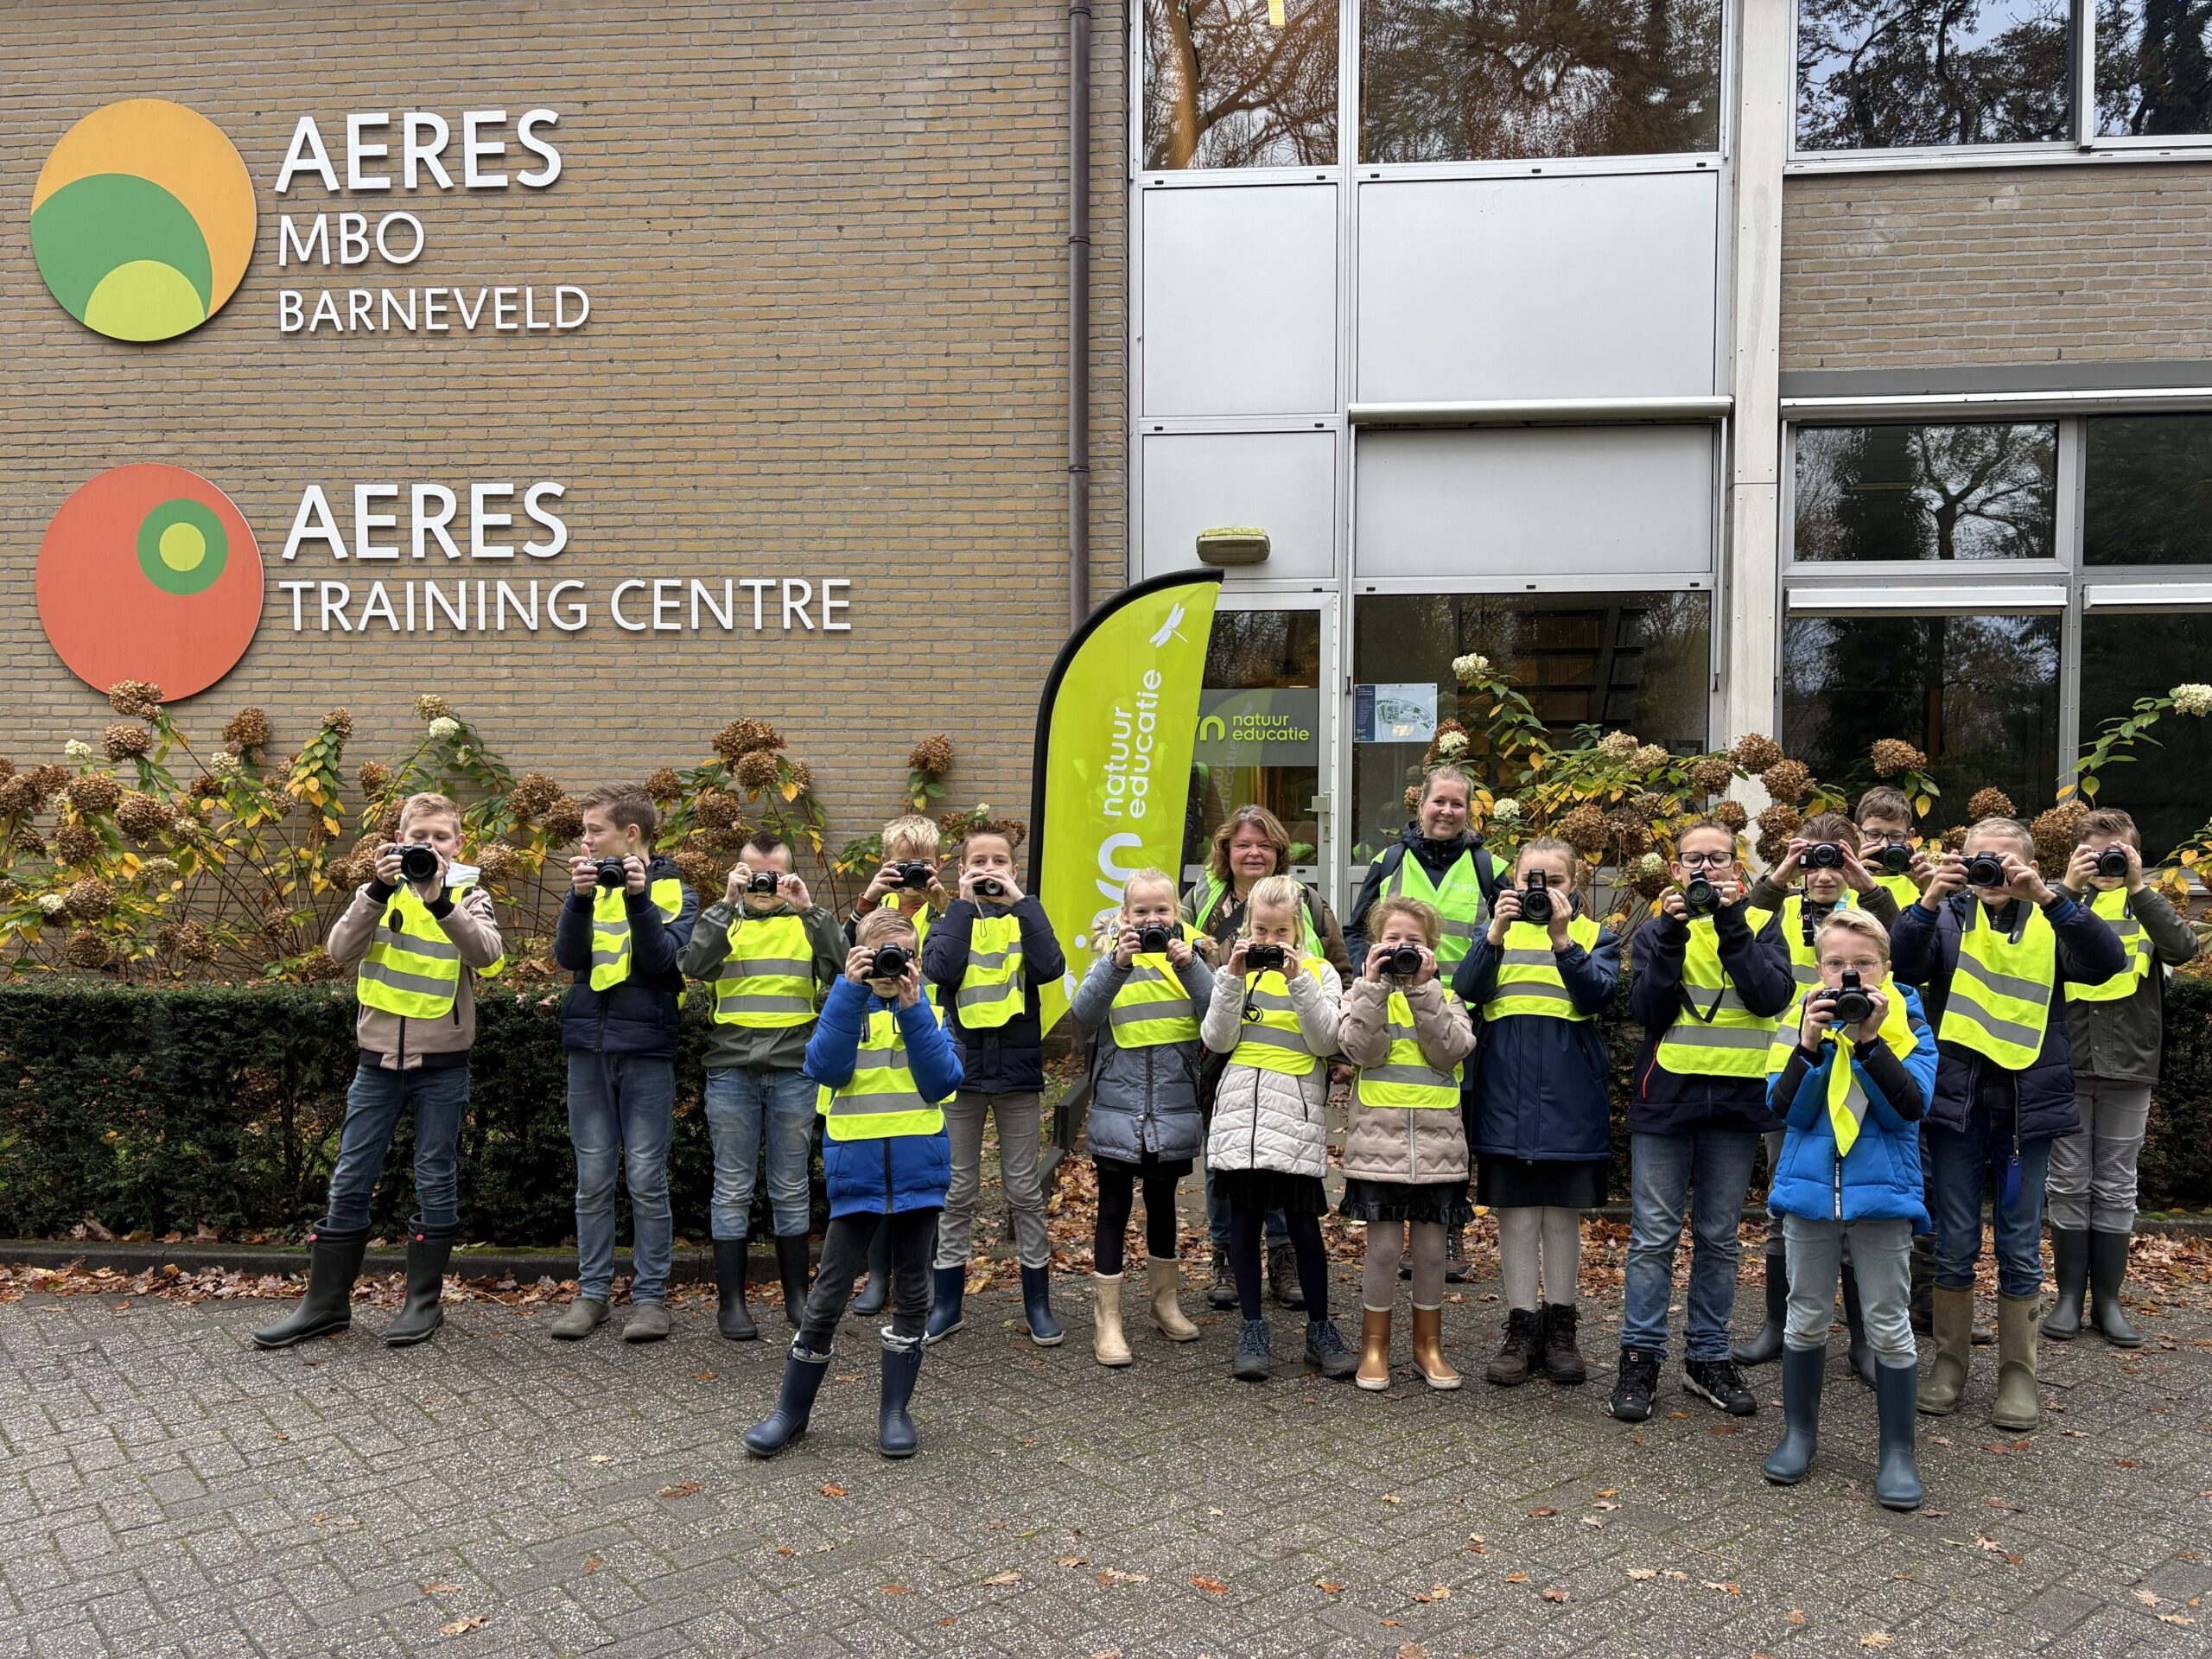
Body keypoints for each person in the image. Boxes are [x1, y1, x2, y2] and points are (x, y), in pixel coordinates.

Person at [1891, 816, 2126, 1431]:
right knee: (1956, 1242)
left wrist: (2049, 897)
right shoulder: (1946, 916)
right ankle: (1950, 1362)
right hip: (1957, 1106)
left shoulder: (2050, 918)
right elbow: (1902, 969)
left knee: (2021, 1243)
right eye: (1979, 860)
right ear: (1961, 862)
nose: (1990, 871)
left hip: (2027, 1109)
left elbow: (2105, 963)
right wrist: (1929, 898)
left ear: (2026, 865)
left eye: (2004, 861)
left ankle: (2019, 1372)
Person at [252, 791, 505, 1350]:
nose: (430, 847)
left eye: (441, 837)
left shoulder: (469, 893)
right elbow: (339, 949)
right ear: (399, 841)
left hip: (443, 1063)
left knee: (435, 1174)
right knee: (350, 1175)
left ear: (458, 844)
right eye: (420, 838)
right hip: (378, 1063)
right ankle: (325, 1305)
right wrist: (374, 890)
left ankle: (423, 1303)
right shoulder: (379, 891)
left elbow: (488, 955)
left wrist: (441, 901)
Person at [743, 907, 959, 1460]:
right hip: (856, 1178)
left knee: (914, 1295)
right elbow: (826, 1068)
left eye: (902, 955)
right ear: (857, 954)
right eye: (879, 954)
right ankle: (791, 1413)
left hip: (919, 1176)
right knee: (827, 1297)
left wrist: (913, 1011)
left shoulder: (931, 1009)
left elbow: (941, 1081)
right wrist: (846, 987)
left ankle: (895, 1412)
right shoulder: (845, 1004)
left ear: (916, 959)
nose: (891, 966)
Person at [1613, 817, 1796, 1423]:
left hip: (1740, 1103)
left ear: (1737, 870)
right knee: (1654, 1238)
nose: (1706, 870)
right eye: (1695, 859)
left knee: (1719, 1238)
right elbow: (1646, 1009)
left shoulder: (1765, 925)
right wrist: (1669, 934)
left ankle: (1709, 1357)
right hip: (1668, 1099)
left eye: (1718, 859)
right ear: (1675, 869)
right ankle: (1640, 1358)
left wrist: (1731, 925)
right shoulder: (1656, 930)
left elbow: (1771, 998)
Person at [1760, 910, 1937, 1511]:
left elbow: (1907, 1108)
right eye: (1836, 963)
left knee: (1888, 1321)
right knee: (1804, 1316)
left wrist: (1870, 1041)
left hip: (1882, 1199)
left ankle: (1897, 1452)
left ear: (1886, 970)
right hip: (1810, 1196)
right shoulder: (1799, 1018)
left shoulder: (1909, 1022)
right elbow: (1786, 1109)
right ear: (1819, 969)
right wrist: (1810, 1044)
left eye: (1863, 964)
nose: (1849, 975)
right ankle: (1800, 1435)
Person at [1735, 812, 1904, 1376]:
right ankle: (1777, 1329)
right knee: (1787, 1208)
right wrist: (1779, 875)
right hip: (1795, 1077)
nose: (1825, 869)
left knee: (1857, 1209)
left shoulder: (1871, 912)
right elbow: (1734, 930)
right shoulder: (1777, 908)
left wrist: (1865, 885)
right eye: (1815, 856)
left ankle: (1862, 1340)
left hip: (1860, 1079)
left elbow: (1901, 939)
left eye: (1838, 855)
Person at [1454, 836, 1620, 1389]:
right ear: (1512, 883)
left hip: (1571, 1095)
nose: (1540, 891)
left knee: (1560, 1214)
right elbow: (1467, 989)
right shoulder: (1492, 933)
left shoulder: (1595, 936)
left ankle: (1561, 1327)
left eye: (1554, 881)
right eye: (1531, 880)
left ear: (1573, 887)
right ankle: (1522, 1326)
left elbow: (1596, 997)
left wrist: (1562, 940)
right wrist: (1495, 935)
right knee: (1518, 1214)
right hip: (1504, 1092)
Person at [546, 784, 698, 1343]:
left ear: (630, 834)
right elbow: (569, 958)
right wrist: (577, 899)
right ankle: (592, 1296)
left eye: (593, 830)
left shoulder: (678, 891)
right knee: (591, 1179)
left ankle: (651, 1300)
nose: (584, 840)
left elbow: (663, 965)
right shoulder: (588, 884)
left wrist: (638, 897)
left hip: (647, 1050)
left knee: (645, 1178)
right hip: (588, 1045)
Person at [677, 830, 844, 1340]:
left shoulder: (805, 923)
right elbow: (695, 966)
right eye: (754, 874)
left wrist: (810, 909)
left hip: (794, 1070)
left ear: (790, 873)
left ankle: (797, 1296)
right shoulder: (724, 919)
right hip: (731, 1070)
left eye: (774, 873)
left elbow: (843, 971)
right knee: (731, 1187)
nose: (764, 884)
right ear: (740, 872)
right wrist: (725, 904)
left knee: (791, 1186)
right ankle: (732, 1302)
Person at [1344, 765, 1507, 1284]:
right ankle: (1399, 1219)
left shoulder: (1489, 866)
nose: (1447, 811)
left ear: (1470, 811)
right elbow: (1355, 928)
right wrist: (1370, 979)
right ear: (1422, 805)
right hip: (1390, 1007)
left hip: (1458, 1012)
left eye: (1458, 804)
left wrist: (1473, 989)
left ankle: (1447, 1226)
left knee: (1454, 1120)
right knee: (1394, 1112)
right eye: (1439, 801)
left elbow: (1503, 936)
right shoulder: (1389, 861)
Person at [2043, 809, 2200, 1346]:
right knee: (2067, 1180)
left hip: (2129, 1063)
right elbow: (2028, 953)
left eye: (2118, 853)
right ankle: (2067, 1300)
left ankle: (2106, 1302)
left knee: (2115, 1182)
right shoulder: (2056, 901)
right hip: (2065, 1059)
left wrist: (2140, 887)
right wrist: (2066, 885)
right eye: (2095, 852)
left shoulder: (2147, 903)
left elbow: (2184, 949)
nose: (2106, 863)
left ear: (2135, 853)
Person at [1185, 804, 1351, 1313]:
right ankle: (1225, 1261)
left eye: (1263, 844)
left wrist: (1338, 1046)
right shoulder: (1202, 900)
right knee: (1226, 1161)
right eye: (1242, 844)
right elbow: (1184, 964)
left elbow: (1337, 970)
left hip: (1293, 1060)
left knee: (1283, 1161)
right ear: (1226, 852)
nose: (1252, 852)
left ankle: (1282, 1263)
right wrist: (1231, 978)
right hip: (1224, 1057)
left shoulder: (1309, 903)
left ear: (1280, 851)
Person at [1201, 874, 1355, 1382]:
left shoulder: (1320, 974)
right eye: (1261, 931)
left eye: (1281, 932)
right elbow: (1218, 1041)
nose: (1270, 942)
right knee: (1243, 1225)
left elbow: (1324, 1040)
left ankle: (1320, 1328)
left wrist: (1298, 980)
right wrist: (1229, 976)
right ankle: (1252, 1329)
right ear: (1248, 927)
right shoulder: (1236, 973)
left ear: (1299, 929)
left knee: (1303, 1228)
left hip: (1294, 1120)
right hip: (1240, 1117)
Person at [922, 824, 1068, 1346]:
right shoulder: (947, 922)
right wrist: (960, 908)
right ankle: (947, 1304)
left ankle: (1038, 1304)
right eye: (977, 862)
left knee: (1024, 1191)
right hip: (961, 1075)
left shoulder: (1026, 917)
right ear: (960, 871)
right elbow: (940, 970)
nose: (987, 870)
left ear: (1014, 870)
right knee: (955, 1192)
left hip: (1018, 1076)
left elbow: (1051, 966)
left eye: (999, 862)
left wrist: (1022, 903)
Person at [1070, 869, 1215, 1366]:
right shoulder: (1109, 953)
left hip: (1173, 1104)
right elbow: (1083, 1014)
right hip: (1118, 1102)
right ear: (1124, 915)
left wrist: (1190, 964)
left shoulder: (1196, 953)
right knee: (1111, 1211)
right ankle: (1107, 1320)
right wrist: (1116, 963)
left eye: (1162, 911)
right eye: (1141, 911)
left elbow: (1218, 1013)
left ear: (1177, 914)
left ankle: (1163, 1303)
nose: (1152, 919)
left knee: (1163, 1206)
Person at [1338, 895, 1478, 1390]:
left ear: (1432, 950)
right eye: (1393, 939)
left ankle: (1428, 1347)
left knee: (1433, 1253)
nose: (1403, 948)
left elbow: (1451, 1052)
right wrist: (1372, 989)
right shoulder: (1360, 995)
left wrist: (1425, 993)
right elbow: (1362, 1050)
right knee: (1379, 1253)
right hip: (1378, 1148)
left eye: (1414, 941)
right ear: (1376, 945)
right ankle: (1374, 1347)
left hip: (1440, 1152)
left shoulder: (1448, 997)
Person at [844, 813, 955, 1317]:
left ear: (937, 864)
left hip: (926, 1031)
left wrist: (942, 901)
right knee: (876, 1172)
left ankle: (919, 1277)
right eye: (902, 864)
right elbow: (844, 955)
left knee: (918, 1173)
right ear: (886, 863)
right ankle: (877, 1276)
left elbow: (952, 959)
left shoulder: (945, 908)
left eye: (922, 864)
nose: (912, 873)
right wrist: (868, 899)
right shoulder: (876, 906)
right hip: (872, 1041)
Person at [1854, 786, 1931, 914]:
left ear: (1910, 836)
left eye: (1895, 836)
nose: (1884, 844)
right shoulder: (1840, 881)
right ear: (1857, 834)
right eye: (1874, 834)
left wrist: (1930, 892)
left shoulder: (1920, 882)